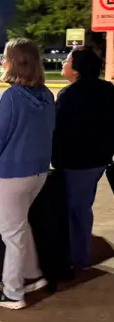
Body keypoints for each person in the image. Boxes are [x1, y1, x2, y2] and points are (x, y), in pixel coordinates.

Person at [0, 38, 55, 310]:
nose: (2, 62)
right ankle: (33, 275)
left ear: (15, 63)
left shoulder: (11, 97)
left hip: (12, 175)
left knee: (11, 234)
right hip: (38, 173)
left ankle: (13, 293)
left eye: (6, 58)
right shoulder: (46, 95)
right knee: (20, 227)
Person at [52, 45, 114, 275]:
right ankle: (78, 255)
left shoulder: (69, 95)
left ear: (77, 68)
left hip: (76, 162)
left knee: (76, 211)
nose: (63, 63)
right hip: (99, 160)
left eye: (67, 60)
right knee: (81, 206)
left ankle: (78, 259)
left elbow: (58, 130)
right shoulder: (107, 89)